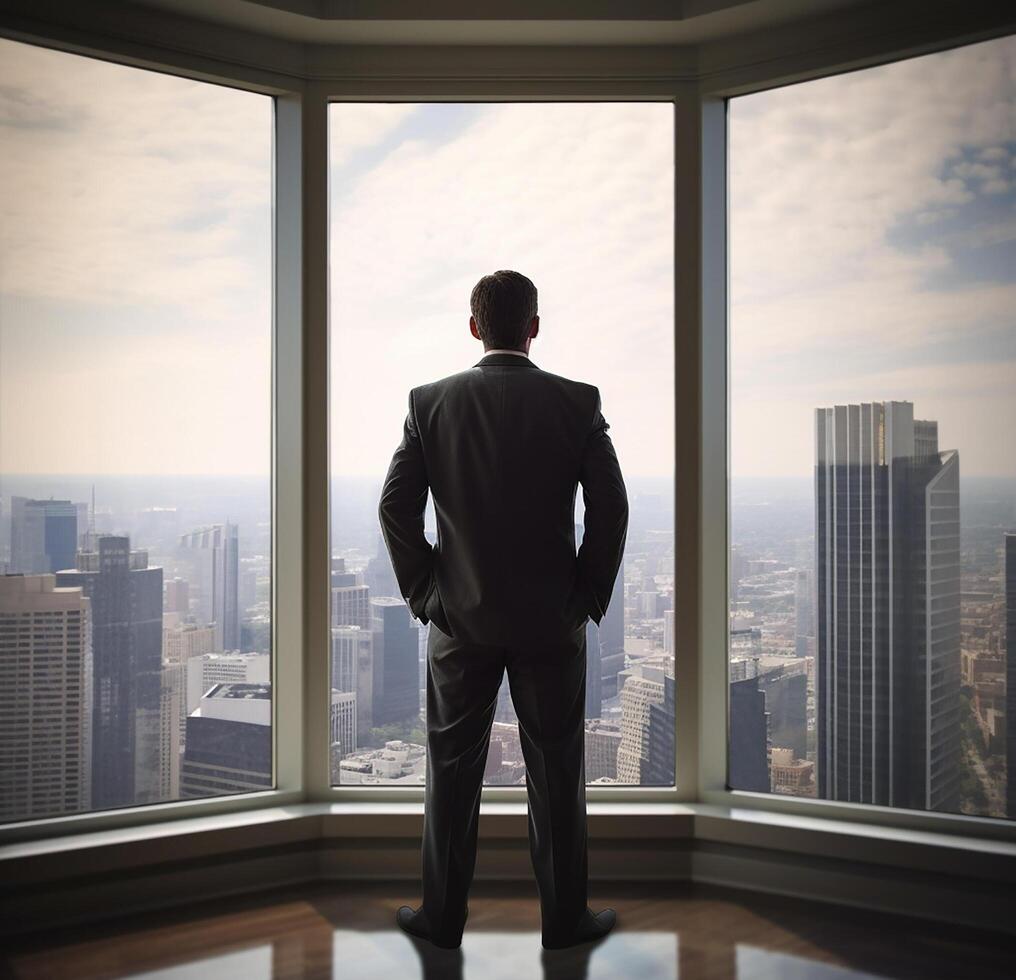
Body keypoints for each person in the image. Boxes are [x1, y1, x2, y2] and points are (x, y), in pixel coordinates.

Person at [378, 269, 629, 951]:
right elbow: (611, 506)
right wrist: (586, 596)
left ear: (473, 326)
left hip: (459, 623)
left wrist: (428, 593)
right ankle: (565, 922)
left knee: (451, 772)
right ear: (535, 327)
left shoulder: (429, 403)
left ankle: (440, 920)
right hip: (552, 624)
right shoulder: (576, 403)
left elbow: (394, 507)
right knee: (557, 772)